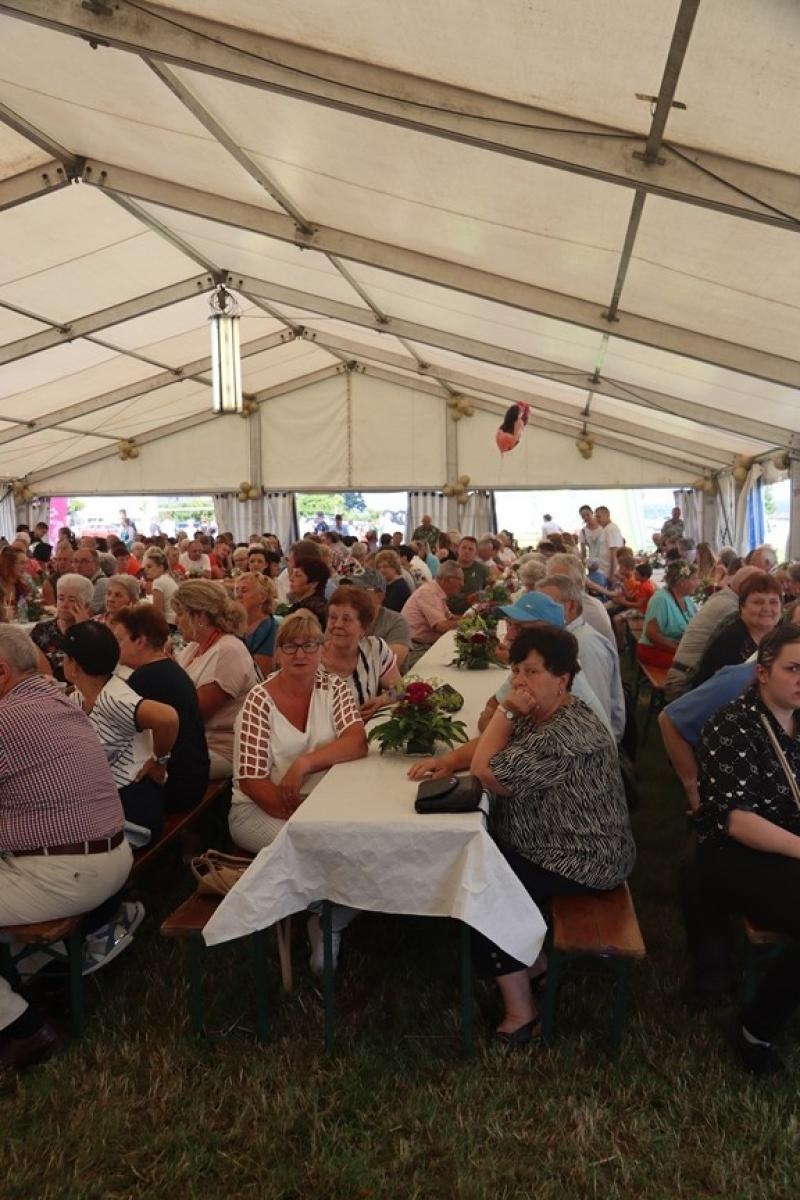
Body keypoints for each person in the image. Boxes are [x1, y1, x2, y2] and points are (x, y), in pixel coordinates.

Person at [468, 625, 635, 1042]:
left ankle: (522, 1013)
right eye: (516, 670)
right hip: (550, 842)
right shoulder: (547, 712)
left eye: (532, 672)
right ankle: (536, 964)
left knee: (481, 889)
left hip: (583, 858)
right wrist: (443, 762)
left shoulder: (566, 734)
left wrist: (505, 712)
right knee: (481, 863)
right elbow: (488, 750)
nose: (521, 682)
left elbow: (485, 770)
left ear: (562, 680)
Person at [0, 627, 135, 1069]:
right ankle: (35, 982)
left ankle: (23, 1026)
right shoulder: (55, 701)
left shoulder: (7, 719)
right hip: (108, 858)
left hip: (68, 873)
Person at [229, 612, 368, 970]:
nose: (300, 654)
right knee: (316, 848)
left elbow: (356, 742)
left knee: (366, 843)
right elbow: (251, 781)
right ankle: (325, 917)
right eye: (290, 645)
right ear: (277, 654)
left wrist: (303, 764)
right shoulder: (258, 701)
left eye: (309, 645)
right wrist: (303, 818)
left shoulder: (333, 686)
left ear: (321, 651)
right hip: (259, 809)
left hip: (320, 803)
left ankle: (329, 917)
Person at [695, 625, 800, 1073]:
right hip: (736, 856)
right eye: (793, 669)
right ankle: (754, 1027)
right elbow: (737, 820)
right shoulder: (732, 724)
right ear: (762, 672)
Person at [58, 621, 178, 841]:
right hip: (109, 799)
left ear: (75, 666)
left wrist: (159, 760)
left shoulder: (114, 698)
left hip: (133, 807)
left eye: (64, 657)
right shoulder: (80, 696)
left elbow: (167, 718)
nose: (62, 663)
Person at [110, 605, 210, 812]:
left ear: (140, 641)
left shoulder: (145, 679)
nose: (115, 646)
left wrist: (158, 761)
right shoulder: (168, 668)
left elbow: (117, 739)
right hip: (194, 775)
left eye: (120, 640)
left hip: (175, 785)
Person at [173, 580, 258, 778]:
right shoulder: (194, 647)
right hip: (195, 744)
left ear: (201, 617)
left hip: (221, 751)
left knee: (146, 772)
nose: (176, 621)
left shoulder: (228, 651)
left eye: (180, 614)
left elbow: (194, 715)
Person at [536, 575, 625, 741]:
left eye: (546, 605)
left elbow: (595, 717)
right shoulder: (564, 639)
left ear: (570, 607)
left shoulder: (585, 647)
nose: (536, 612)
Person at [322, 584, 401, 718]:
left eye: (346, 619)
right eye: (333, 617)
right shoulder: (311, 660)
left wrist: (382, 700)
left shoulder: (375, 648)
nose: (338, 625)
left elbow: (400, 689)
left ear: (364, 627)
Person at [694, 573, 783, 687]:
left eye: (773, 602)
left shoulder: (781, 636)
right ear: (742, 606)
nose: (766, 608)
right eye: (758, 602)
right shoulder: (730, 640)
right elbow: (723, 690)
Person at [30, 572, 94, 681]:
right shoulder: (41, 630)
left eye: (72, 600)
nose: (64, 604)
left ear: (86, 606)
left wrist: (83, 630)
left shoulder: (94, 634)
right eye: (61, 598)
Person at [400, 560, 463, 668]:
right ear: (447, 579)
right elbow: (441, 626)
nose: (462, 584)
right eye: (460, 579)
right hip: (414, 649)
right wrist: (466, 621)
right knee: (452, 665)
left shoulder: (436, 591)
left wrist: (471, 617)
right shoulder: (429, 593)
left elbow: (450, 618)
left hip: (422, 646)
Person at [636, 560, 698, 669]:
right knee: (691, 667)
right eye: (694, 579)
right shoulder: (660, 599)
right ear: (682, 582)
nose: (698, 583)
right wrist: (679, 649)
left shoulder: (686, 598)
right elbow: (652, 635)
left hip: (677, 648)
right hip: (653, 650)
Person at [350, 569, 412, 671]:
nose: (349, 595)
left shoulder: (396, 622)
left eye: (358, 591)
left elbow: (388, 666)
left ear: (379, 596)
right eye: (348, 590)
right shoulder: (341, 619)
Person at [235, 571, 281, 677]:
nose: (238, 596)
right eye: (237, 590)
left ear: (262, 597)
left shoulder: (269, 629)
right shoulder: (234, 624)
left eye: (244, 591)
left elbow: (262, 674)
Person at [285, 556, 331, 629]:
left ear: (313, 583)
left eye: (297, 575)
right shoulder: (324, 605)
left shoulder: (305, 613)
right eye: (292, 574)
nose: (291, 579)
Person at [142, 548, 180, 626]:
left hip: (169, 624)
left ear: (161, 567)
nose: (146, 570)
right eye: (145, 567)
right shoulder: (168, 578)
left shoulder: (158, 582)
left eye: (149, 567)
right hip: (175, 621)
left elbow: (158, 613)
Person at [72, 544, 109, 613]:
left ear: (97, 563)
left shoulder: (102, 583)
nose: (78, 565)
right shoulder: (83, 581)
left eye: (84, 561)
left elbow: (87, 613)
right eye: (76, 561)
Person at [593, 506, 625, 587]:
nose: (597, 519)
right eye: (596, 516)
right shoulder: (605, 529)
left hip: (609, 572)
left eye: (598, 516)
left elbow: (615, 553)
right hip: (604, 571)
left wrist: (613, 574)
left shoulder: (611, 529)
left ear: (607, 515)